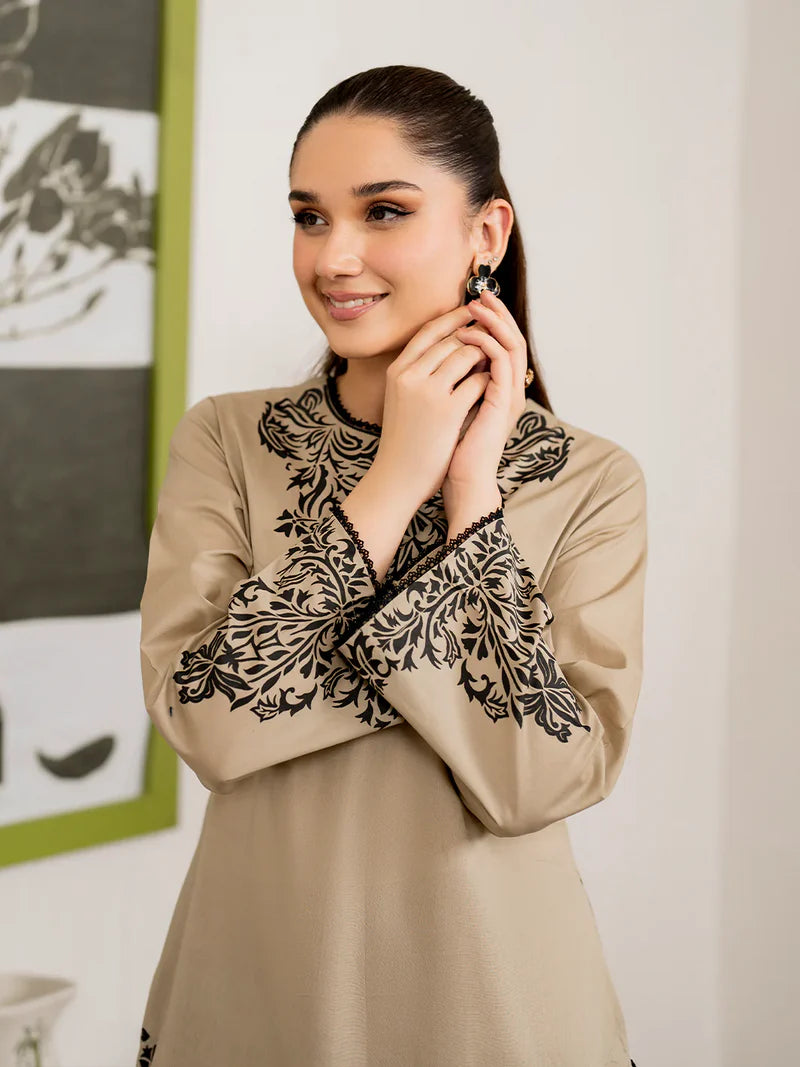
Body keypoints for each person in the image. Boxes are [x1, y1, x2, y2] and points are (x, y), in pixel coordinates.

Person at [135, 65, 646, 1067]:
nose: (336, 256)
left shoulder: (590, 480)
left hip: (495, 998)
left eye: (382, 210)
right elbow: (206, 719)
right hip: (254, 982)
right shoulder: (227, 440)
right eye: (308, 216)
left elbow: (538, 777)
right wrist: (395, 476)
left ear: (484, 234)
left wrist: (469, 502)